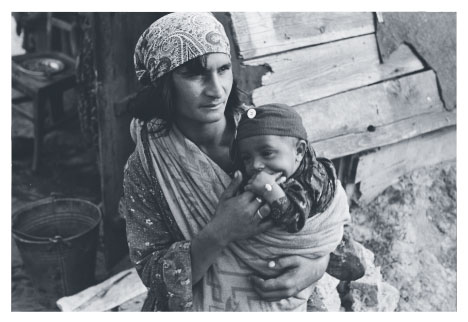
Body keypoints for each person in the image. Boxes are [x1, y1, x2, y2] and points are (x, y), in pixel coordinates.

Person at [122, 12, 333, 311]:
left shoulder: (268, 133)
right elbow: (153, 274)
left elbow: (327, 216)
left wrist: (315, 267)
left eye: (223, 69)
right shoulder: (148, 166)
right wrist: (220, 232)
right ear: (164, 82)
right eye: (195, 74)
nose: (217, 89)